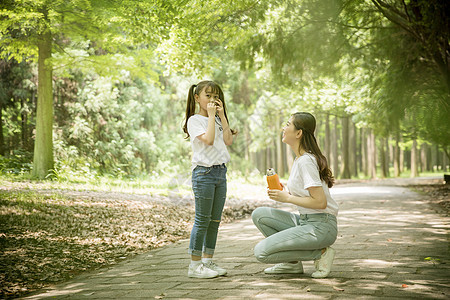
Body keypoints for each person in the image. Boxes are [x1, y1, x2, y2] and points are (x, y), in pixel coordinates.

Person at [252, 112, 338, 278]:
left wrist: (287, 198)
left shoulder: (306, 161)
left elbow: (320, 202)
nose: (283, 128)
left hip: (321, 226)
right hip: (306, 221)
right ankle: (291, 264)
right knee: (260, 215)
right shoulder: (301, 160)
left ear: (299, 133)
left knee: (261, 252)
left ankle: (320, 253)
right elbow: (309, 194)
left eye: (287, 124)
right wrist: (287, 192)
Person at [182, 80, 236, 279]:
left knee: (214, 221)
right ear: (197, 98)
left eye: (216, 96)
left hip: (220, 173)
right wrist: (212, 116)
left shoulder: (219, 119)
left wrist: (221, 115)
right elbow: (209, 140)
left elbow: (228, 141)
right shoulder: (194, 120)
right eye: (208, 96)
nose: (213, 100)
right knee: (202, 220)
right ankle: (194, 265)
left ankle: (207, 261)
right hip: (203, 174)